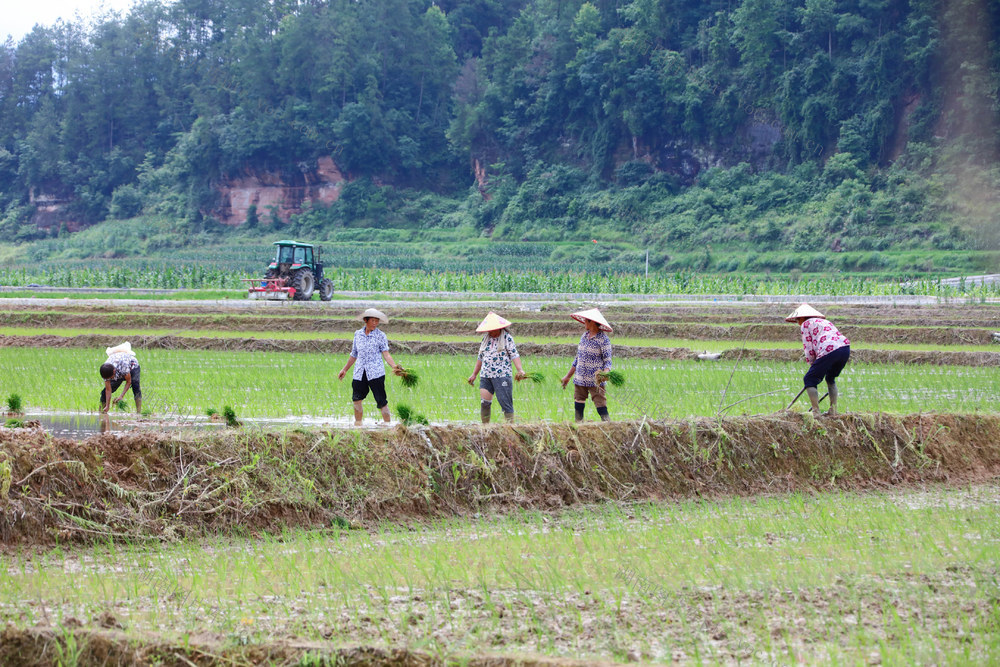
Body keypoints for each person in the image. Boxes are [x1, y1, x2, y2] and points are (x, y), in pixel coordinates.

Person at [338, 308, 402, 426]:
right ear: (365, 320)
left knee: (381, 401)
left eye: (377, 321)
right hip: (359, 372)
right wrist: (345, 369)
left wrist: (394, 366)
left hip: (376, 372)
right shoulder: (358, 334)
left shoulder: (380, 335)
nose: (375, 323)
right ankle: (358, 424)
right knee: (356, 399)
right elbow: (354, 354)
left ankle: (388, 426)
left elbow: (386, 354)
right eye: (373, 320)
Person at [786, 303, 851, 416]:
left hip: (829, 349)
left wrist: (813, 365)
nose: (798, 323)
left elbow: (808, 347)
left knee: (809, 379)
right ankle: (833, 410)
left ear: (802, 318)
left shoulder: (805, 324)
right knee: (830, 378)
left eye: (797, 320)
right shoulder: (825, 322)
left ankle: (816, 411)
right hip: (845, 348)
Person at [467, 312, 526, 424]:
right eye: (489, 330)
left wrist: (520, 370)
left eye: (492, 329)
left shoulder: (507, 338)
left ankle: (510, 427)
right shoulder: (485, 339)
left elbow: (514, 354)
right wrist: (474, 374)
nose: (490, 332)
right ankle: (485, 428)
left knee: (505, 403)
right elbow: (480, 357)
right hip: (486, 375)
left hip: (502, 375)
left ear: (499, 328)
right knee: (485, 403)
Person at [561, 308, 613, 422]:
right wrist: (568, 376)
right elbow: (577, 359)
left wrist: (605, 374)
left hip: (596, 380)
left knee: (600, 404)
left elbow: (608, 361)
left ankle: (608, 425)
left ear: (592, 322)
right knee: (578, 402)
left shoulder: (603, 340)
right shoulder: (584, 336)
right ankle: (578, 425)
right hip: (580, 378)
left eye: (586, 320)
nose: (584, 322)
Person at [99, 342, 142, 414]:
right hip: (117, 370)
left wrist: (121, 396)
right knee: (104, 392)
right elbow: (108, 390)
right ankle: (101, 412)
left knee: (135, 386)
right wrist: (107, 405)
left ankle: (138, 412)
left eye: (111, 378)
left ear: (114, 372)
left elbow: (128, 382)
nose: (111, 380)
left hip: (132, 366)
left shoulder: (123, 366)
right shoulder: (105, 371)